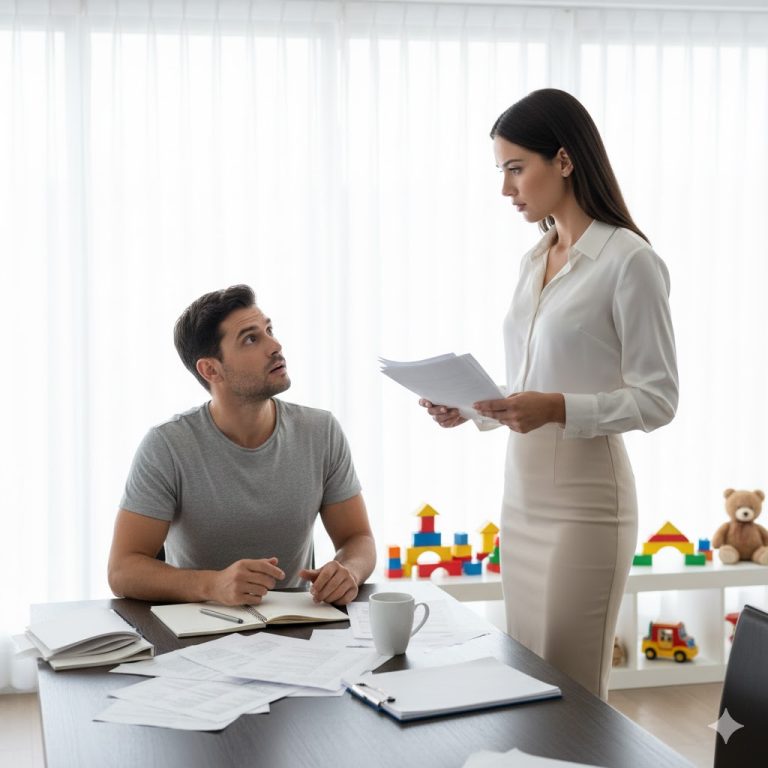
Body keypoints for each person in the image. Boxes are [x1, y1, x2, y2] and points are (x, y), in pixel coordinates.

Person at [420, 89, 678, 699]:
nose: (507, 189)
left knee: (573, 691)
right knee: (529, 682)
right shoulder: (534, 257)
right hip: (523, 497)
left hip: (586, 506)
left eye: (516, 168)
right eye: (502, 171)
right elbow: (527, 383)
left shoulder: (629, 261)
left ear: (563, 160)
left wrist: (558, 407)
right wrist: (468, 407)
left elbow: (659, 398)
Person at [108, 284, 376, 607]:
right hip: (198, 632)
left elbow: (357, 539)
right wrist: (213, 585)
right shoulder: (166, 446)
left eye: (269, 330)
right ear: (211, 369)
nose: (275, 345)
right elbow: (123, 570)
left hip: (294, 630)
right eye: (251, 339)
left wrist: (348, 570)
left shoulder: (321, 432)